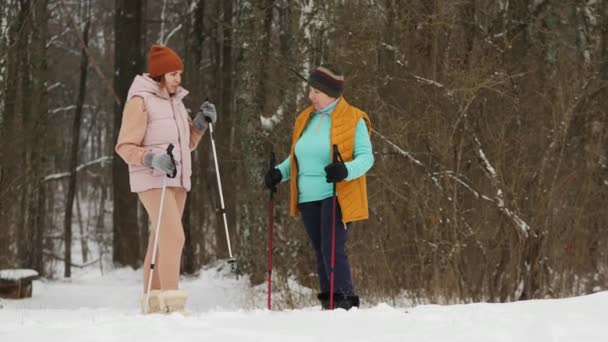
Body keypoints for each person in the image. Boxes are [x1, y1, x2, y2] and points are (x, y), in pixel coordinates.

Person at [115, 45, 217, 314]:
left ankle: (153, 301)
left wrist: (199, 125)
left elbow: (187, 145)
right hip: (152, 179)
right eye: (173, 73)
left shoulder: (176, 101)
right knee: (173, 236)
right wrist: (151, 158)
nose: (178, 79)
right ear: (159, 74)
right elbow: (125, 146)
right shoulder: (140, 101)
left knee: (161, 238)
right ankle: (173, 303)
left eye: (179, 73)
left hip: (178, 180)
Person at [264, 65, 374, 310]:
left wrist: (345, 170)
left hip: (336, 193)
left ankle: (345, 304)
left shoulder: (353, 118)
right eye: (310, 90)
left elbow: (366, 158)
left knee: (332, 248)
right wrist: (278, 173)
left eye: (316, 91)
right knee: (320, 251)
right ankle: (329, 304)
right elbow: (297, 157)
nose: (311, 96)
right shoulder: (306, 118)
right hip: (307, 196)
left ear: (331, 93)